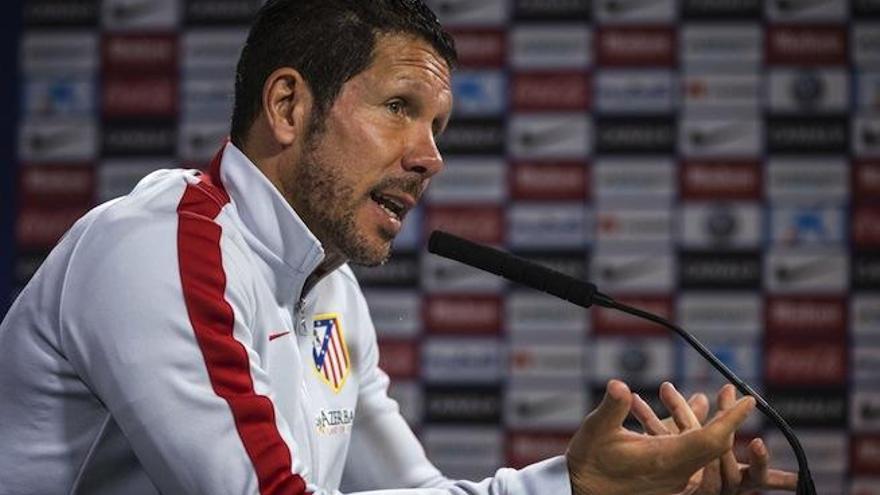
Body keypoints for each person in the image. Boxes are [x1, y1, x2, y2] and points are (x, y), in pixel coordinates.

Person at [0, 1, 798, 494]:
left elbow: (413, 489)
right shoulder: (158, 247)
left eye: (438, 126)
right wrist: (567, 486)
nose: (430, 156)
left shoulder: (332, 292)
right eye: (397, 107)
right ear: (287, 104)